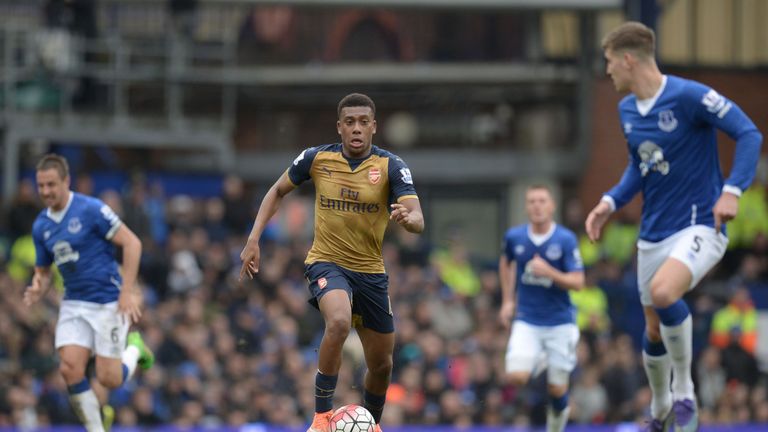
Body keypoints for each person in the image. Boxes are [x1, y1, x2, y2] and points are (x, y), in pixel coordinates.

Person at [585, 21, 763, 432]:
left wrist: (733, 189)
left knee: (665, 293)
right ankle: (661, 406)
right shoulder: (627, 109)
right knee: (652, 327)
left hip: (700, 224)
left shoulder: (689, 96)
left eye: (610, 62)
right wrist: (609, 201)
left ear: (629, 60)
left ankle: (683, 390)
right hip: (653, 232)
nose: (607, 70)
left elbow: (748, 133)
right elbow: (640, 165)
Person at [239, 93, 424, 432]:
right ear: (339, 127)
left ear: (374, 127)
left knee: (382, 364)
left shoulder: (391, 167)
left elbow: (418, 218)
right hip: (327, 263)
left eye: (363, 122)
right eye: (350, 122)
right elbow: (277, 191)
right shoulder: (316, 158)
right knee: (338, 321)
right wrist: (253, 239)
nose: (356, 129)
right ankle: (322, 417)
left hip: (370, 274)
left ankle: (373, 424)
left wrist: (407, 220)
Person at [25, 154, 155, 432]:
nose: (46, 191)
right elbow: (44, 270)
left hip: (108, 301)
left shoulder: (92, 210)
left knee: (109, 379)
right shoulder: (41, 226)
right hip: (73, 302)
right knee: (69, 368)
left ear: (66, 181)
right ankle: (96, 429)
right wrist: (38, 285)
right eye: (41, 185)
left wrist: (127, 291)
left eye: (51, 185)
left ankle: (135, 348)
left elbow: (132, 243)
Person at [498, 185, 585, 432]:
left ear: (552, 206)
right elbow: (506, 263)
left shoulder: (565, 239)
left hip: (560, 322)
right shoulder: (515, 237)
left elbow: (578, 282)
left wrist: (549, 272)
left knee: (557, 389)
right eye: (532, 201)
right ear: (526, 207)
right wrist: (507, 300)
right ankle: (540, 358)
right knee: (516, 376)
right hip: (528, 319)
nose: (537, 205)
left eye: (542, 201)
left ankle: (556, 426)